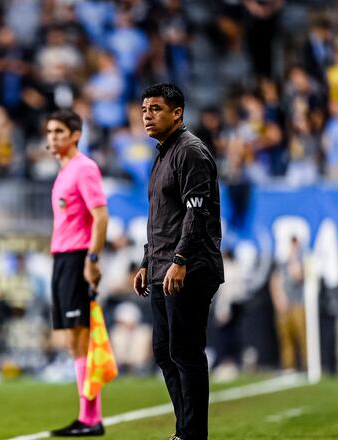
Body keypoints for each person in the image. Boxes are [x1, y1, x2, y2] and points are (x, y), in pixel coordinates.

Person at [133, 84, 224, 440]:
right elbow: (161, 217)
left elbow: (196, 213)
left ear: (177, 113)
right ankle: (185, 431)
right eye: (144, 109)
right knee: (164, 351)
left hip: (189, 268)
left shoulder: (190, 152)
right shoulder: (162, 154)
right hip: (162, 268)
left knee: (185, 352)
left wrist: (181, 259)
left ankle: (192, 434)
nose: (147, 116)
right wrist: (146, 261)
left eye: (156, 109)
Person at [46, 109, 109, 437]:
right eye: (50, 131)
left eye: (59, 131)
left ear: (75, 135)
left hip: (76, 257)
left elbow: (100, 216)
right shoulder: (64, 171)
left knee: (81, 336)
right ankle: (86, 416)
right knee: (73, 339)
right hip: (61, 258)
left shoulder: (84, 169)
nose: (52, 137)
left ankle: (91, 418)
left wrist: (92, 258)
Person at [270, 237, 307, 372]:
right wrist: (278, 299)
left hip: (298, 303)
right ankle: (288, 366)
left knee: (302, 336)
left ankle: (305, 365)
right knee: (285, 337)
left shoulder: (302, 262)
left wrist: (296, 263)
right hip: (285, 304)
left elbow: (299, 275)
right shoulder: (282, 264)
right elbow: (275, 281)